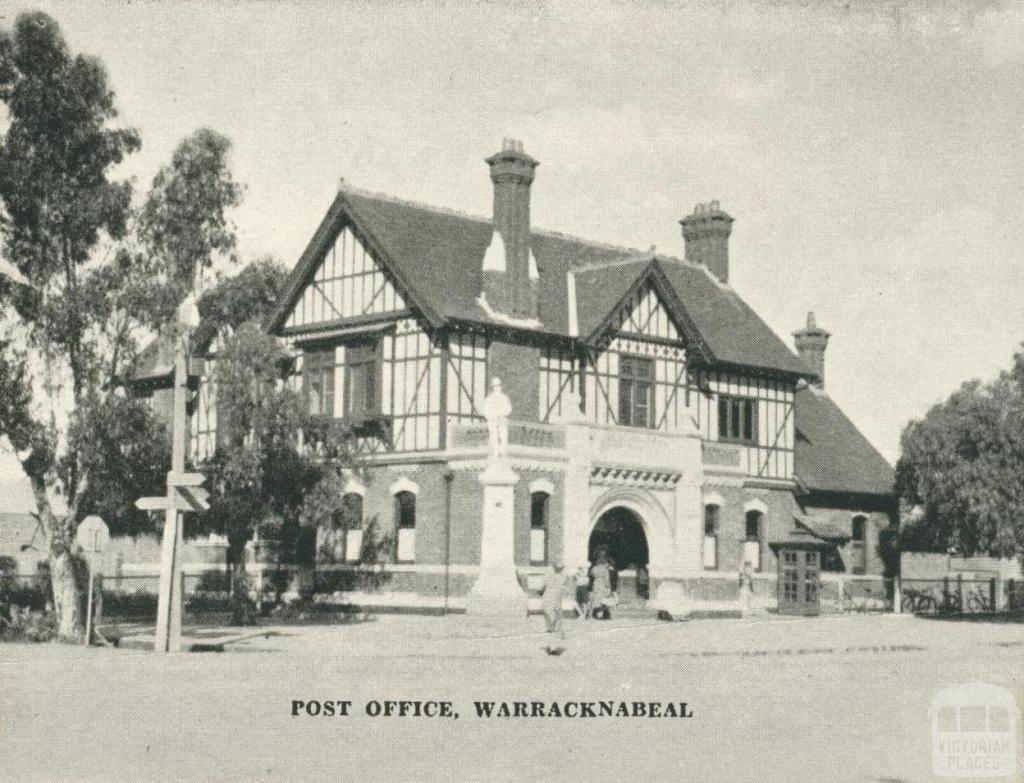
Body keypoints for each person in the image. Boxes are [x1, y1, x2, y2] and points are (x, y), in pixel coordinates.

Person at [541, 563, 570, 654]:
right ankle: (553, 647)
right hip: (555, 602)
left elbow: (542, 589)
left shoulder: (548, 576)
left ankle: (550, 646)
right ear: (562, 569)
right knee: (555, 625)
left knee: (549, 626)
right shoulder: (564, 577)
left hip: (546, 601)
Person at [589, 552, 612, 620]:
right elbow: (606, 578)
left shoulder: (594, 568)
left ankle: (595, 614)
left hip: (596, 584)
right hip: (603, 584)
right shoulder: (605, 569)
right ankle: (604, 615)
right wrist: (608, 586)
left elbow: (591, 574)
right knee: (604, 600)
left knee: (596, 599)